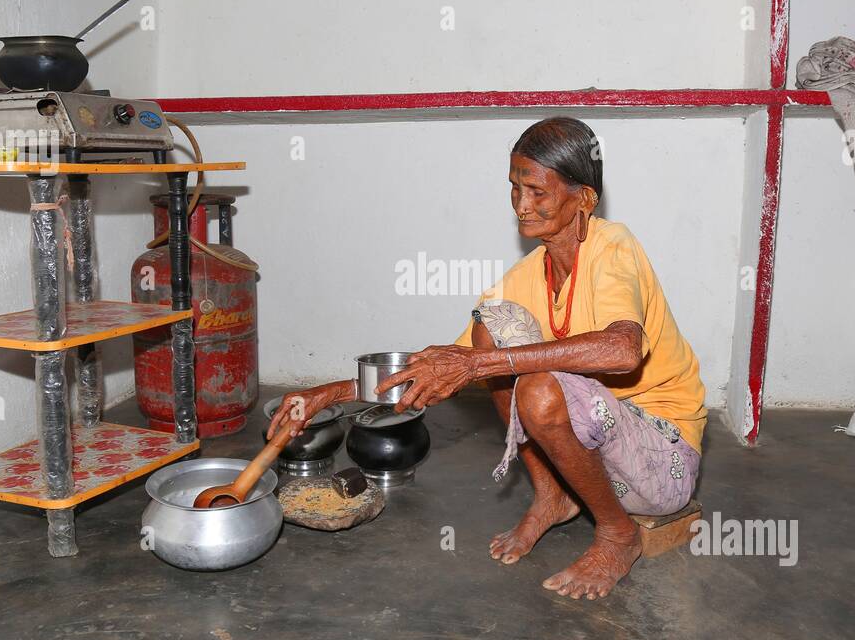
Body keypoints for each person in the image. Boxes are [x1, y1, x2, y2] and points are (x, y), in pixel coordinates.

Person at [268, 117, 706, 599]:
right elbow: (442, 366)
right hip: (591, 460)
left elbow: (623, 350)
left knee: (535, 386)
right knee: (490, 326)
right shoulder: (526, 276)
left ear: (583, 198)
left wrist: (480, 367)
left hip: (663, 466)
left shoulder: (613, 246)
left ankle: (618, 534)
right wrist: (328, 394)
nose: (521, 205)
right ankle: (552, 496)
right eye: (515, 189)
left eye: (537, 191)